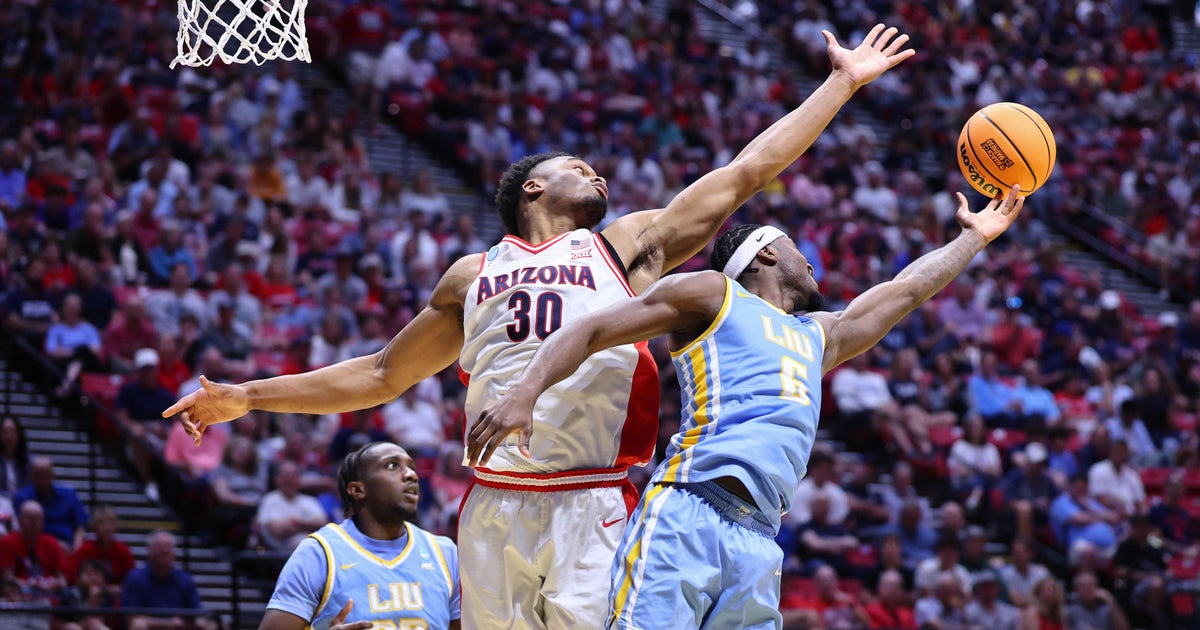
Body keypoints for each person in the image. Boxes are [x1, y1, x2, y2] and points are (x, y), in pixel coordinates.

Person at [166, 23, 917, 629]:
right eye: (578, 166)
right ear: (534, 185)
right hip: (493, 501)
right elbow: (377, 375)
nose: (598, 175)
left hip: (592, 494)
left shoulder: (627, 246)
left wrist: (841, 83)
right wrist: (250, 395)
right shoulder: (470, 274)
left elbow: (745, 174)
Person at [474, 175, 1023, 627]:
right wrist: (525, 393)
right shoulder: (712, 294)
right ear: (762, 253)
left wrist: (971, 239)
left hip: (760, 536)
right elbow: (589, 331)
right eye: (796, 250)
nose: (811, 264)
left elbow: (905, 291)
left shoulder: (819, 335)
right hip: (688, 509)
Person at [260, 442, 460, 630]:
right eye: (392, 466)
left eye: (411, 467)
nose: (411, 475)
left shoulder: (445, 552)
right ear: (357, 489)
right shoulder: (319, 552)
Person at [121, 530, 216, 630]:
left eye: (168, 547)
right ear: (149, 552)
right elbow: (131, 618)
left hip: (180, 627)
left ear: (174, 554)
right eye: (159, 547)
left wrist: (203, 622)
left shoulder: (185, 579)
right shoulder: (135, 578)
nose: (164, 551)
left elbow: (197, 613)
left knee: (209, 625)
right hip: (151, 628)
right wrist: (168, 624)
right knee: (138, 625)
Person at [13, 457, 88, 549]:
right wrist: (55, 546)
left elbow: (80, 526)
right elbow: (22, 531)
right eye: (38, 476)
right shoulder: (22, 498)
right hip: (39, 549)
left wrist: (76, 549)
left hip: (69, 548)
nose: (43, 480)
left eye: (46, 475)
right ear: (31, 476)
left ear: (53, 475)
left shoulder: (69, 494)